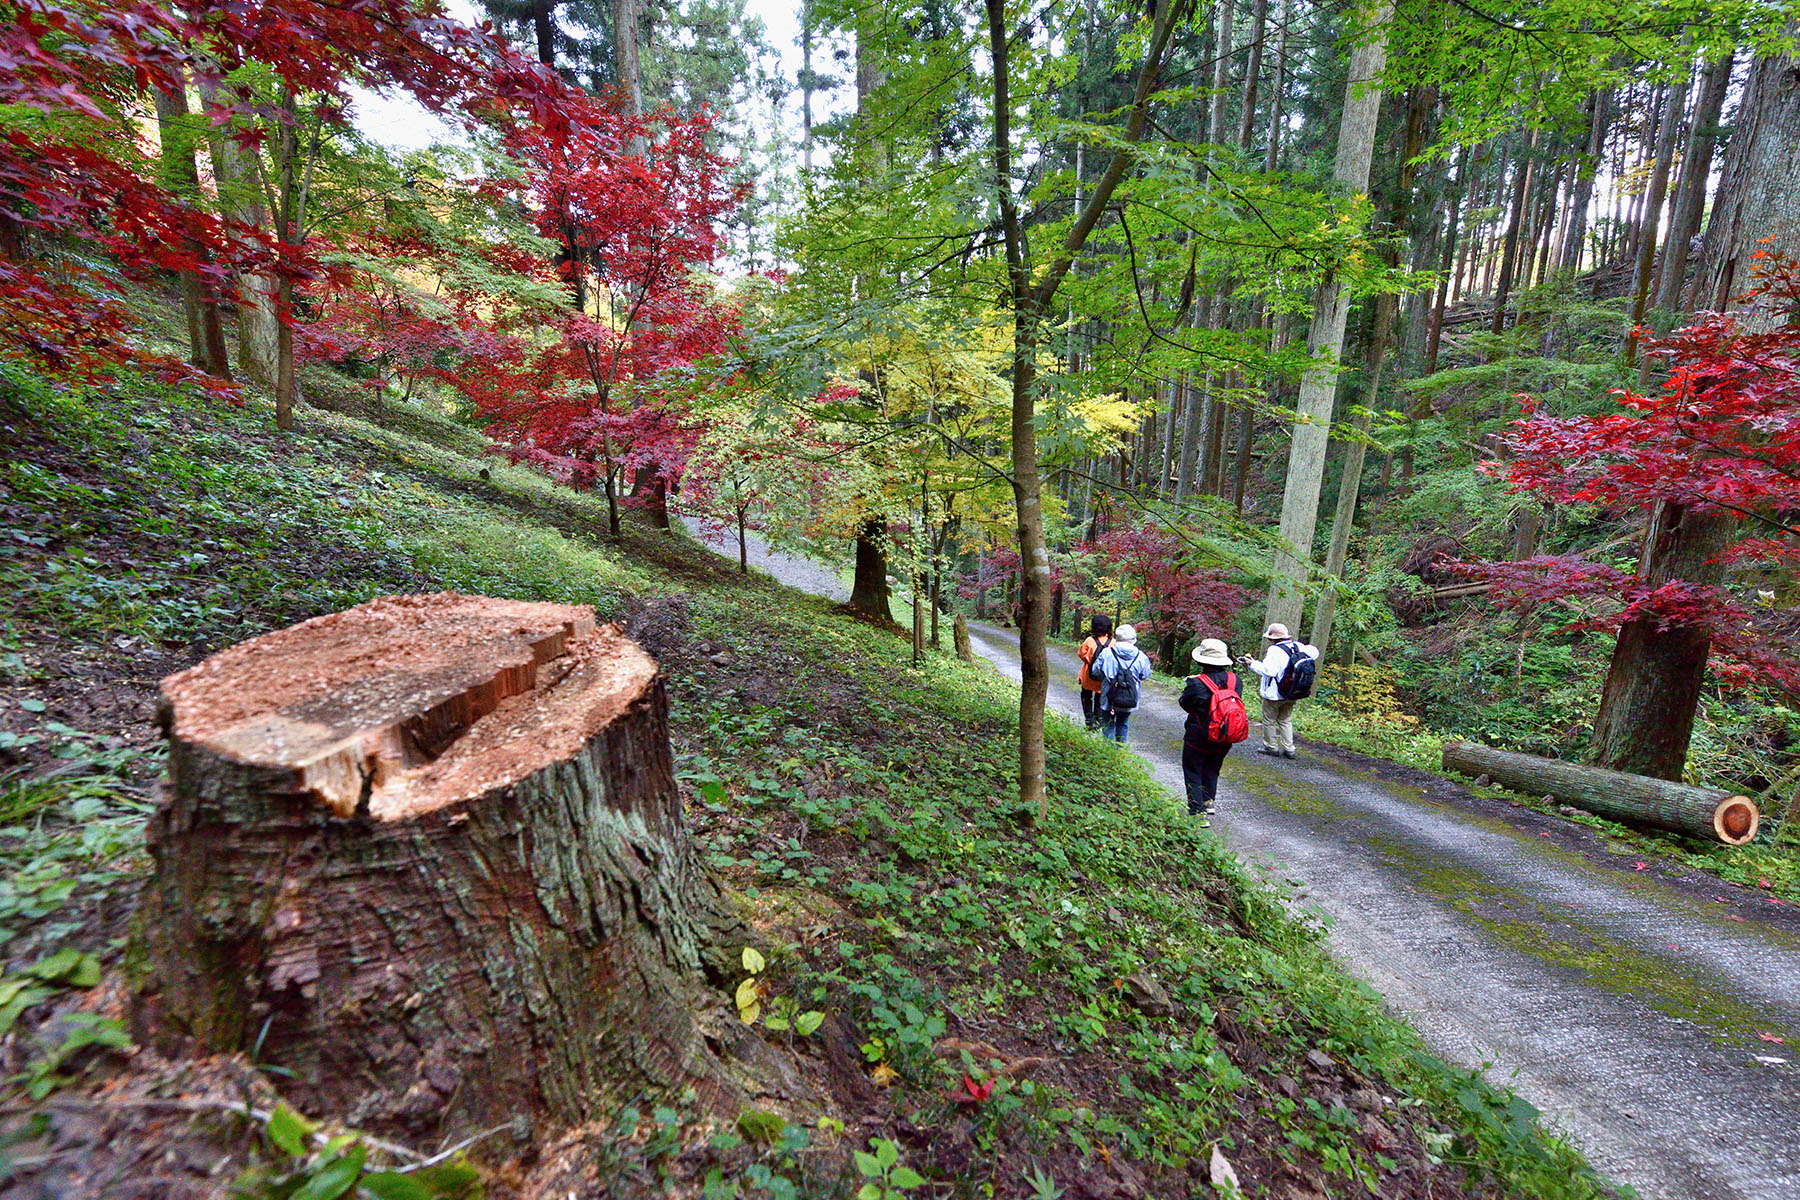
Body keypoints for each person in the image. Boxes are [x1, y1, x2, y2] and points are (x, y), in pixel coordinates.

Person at [1178, 638, 1247, 823]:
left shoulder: (1196, 683)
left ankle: (1197, 812)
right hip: (1226, 734)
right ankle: (1209, 801)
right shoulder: (1235, 680)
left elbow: (1184, 703)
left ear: (1202, 660)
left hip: (1198, 735)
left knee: (1193, 769)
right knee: (1212, 767)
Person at [1240, 622, 1319, 759]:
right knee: (1285, 720)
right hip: (1293, 691)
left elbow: (1269, 671)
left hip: (1274, 693)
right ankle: (1289, 749)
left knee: (1269, 720)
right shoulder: (1298, 646)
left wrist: (1251, 663)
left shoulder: (1274, 651)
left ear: (1272, 638)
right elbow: (1315, 653)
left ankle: (1271, 747)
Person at [1093, 623, 1152, 744]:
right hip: (1129, 696)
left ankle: (1108, 752)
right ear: (1133, 640)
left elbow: (1096, 672)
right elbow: (1145, 675)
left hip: (1109, 695)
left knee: (1107, 723)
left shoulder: (1106, 653)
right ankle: (1120, 750)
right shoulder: (1141, 656)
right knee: (1123, 722)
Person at [1075, 615, 1114, 731]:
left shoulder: (1089, 641)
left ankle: (1089, 720)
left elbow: (1081, 654)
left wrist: (1089, 660)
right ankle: (1099, 719)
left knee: (1086, 696)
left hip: (1089, 675)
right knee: (1100, 696)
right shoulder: (1113, 642)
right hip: (1105, 676)